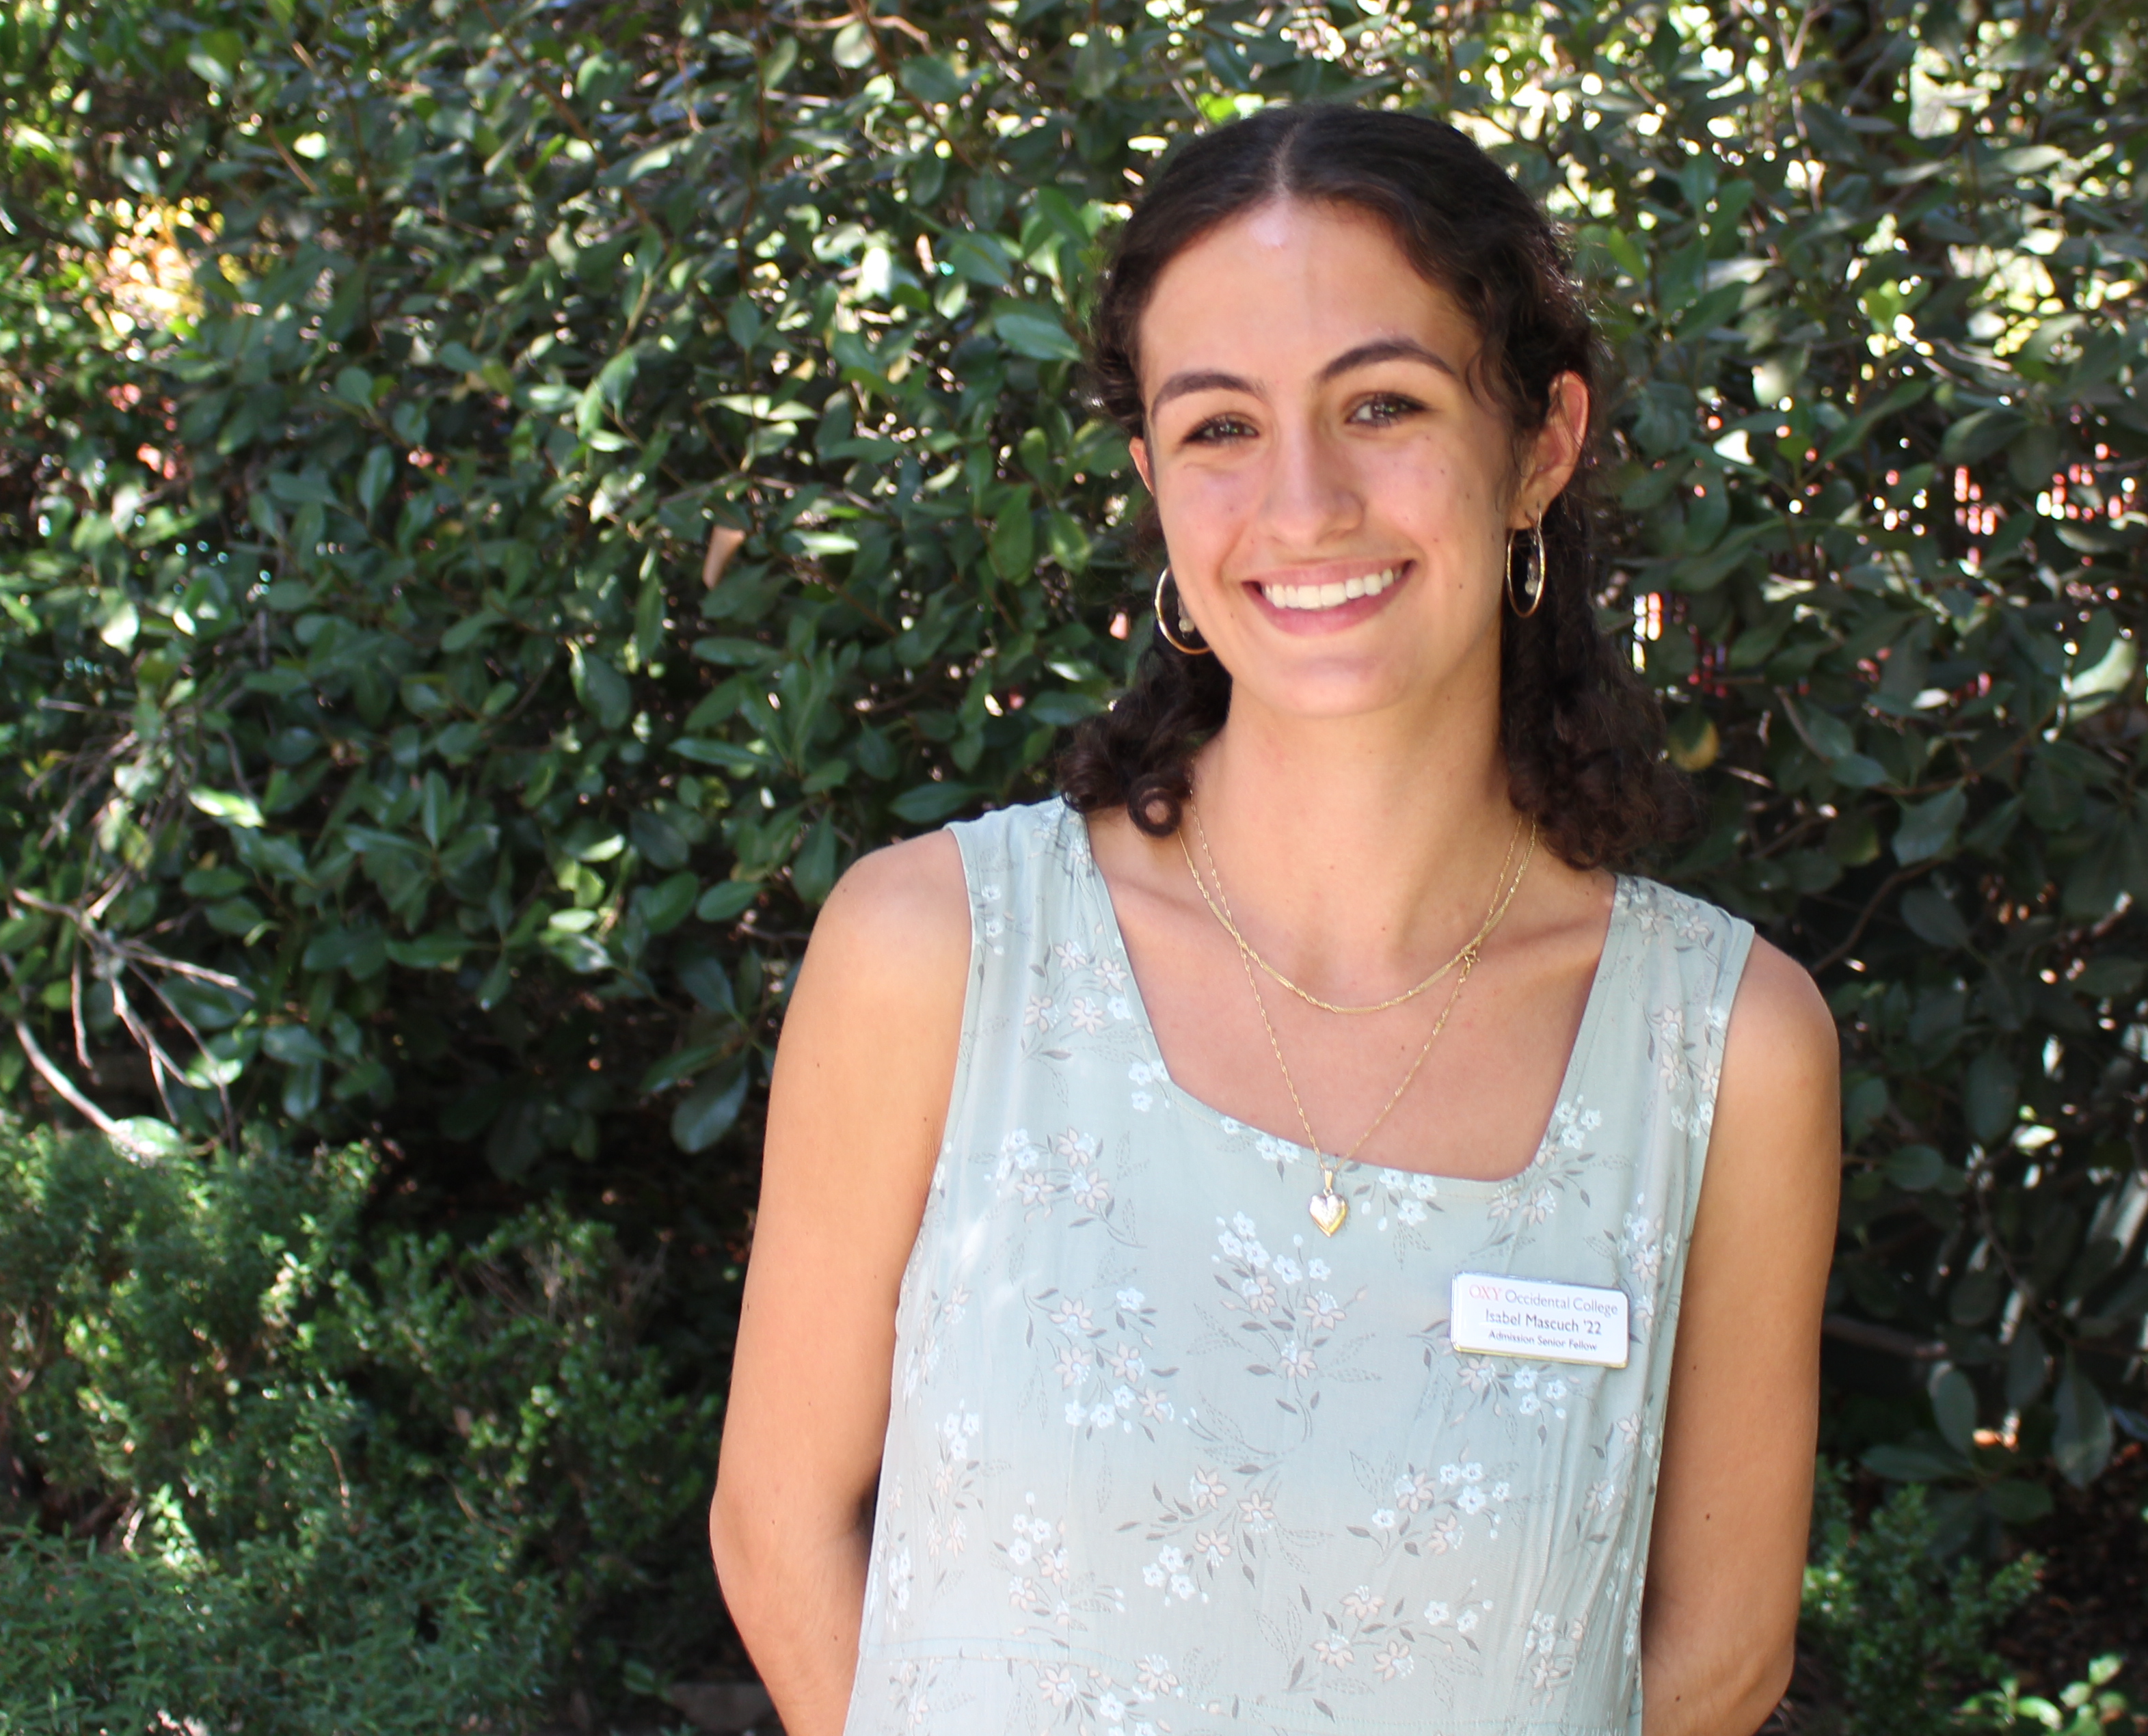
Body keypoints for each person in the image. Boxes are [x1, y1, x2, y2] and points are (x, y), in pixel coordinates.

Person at [712, 105, 1843, 1735]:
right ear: (1155, 481)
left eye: (1382, 404)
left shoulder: (1722, 1051)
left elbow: (1717, 1666)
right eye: (1222, 427)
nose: (1303, 504)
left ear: (1540, 442)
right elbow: (780, 1534)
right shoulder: (938, 957)